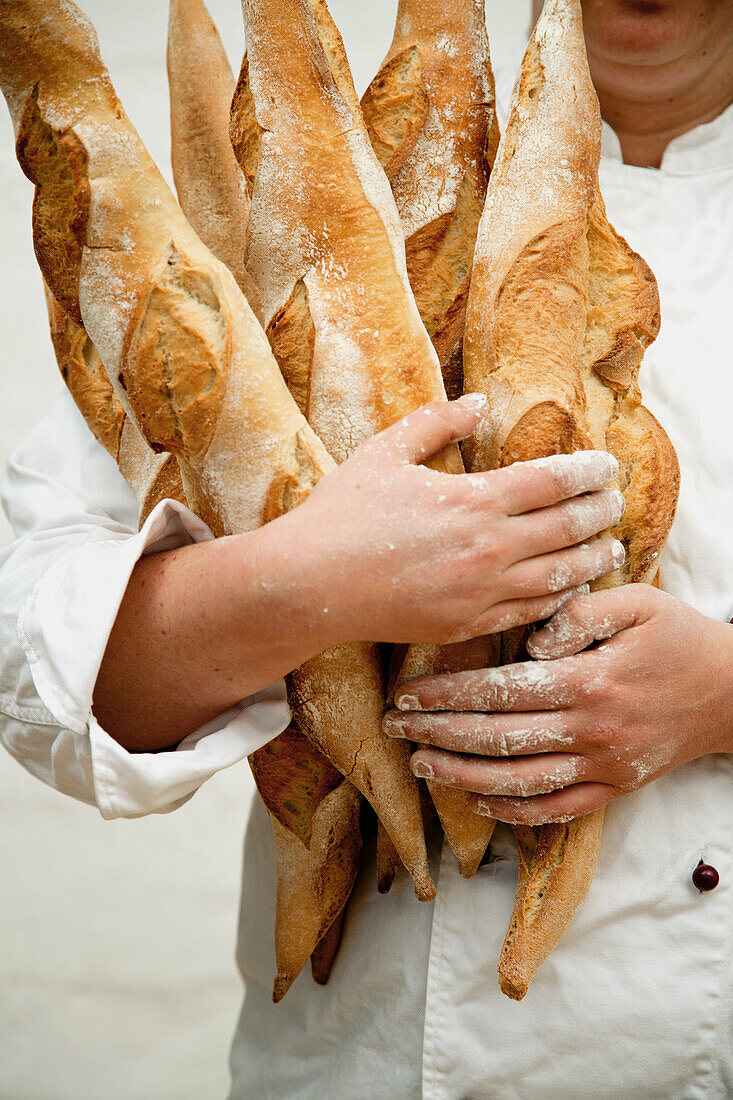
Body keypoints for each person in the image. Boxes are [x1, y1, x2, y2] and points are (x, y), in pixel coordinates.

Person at [0, 1, 731, 1097]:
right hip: (371, 1061)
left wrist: (719, 695)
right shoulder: (308, 198)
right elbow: (41, 670)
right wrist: (304, 583)